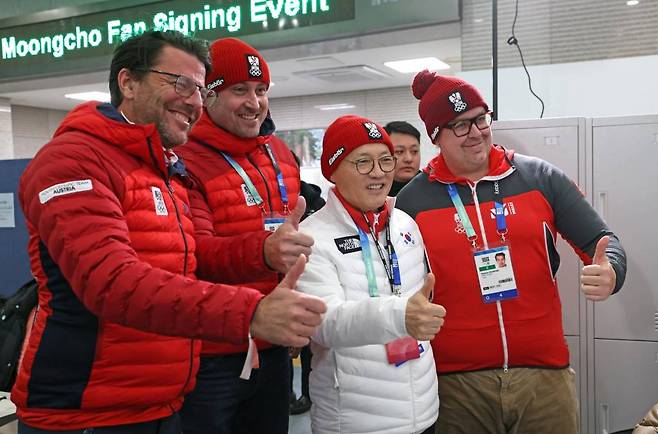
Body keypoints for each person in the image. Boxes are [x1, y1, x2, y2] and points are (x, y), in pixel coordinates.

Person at [13, 30, 325, 434]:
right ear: (128, 82)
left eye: (198, 88)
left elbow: (184, 270)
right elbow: (112, 283)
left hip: (161, 401)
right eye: (179, 83)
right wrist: (250, 311)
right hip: (87, 411)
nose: (194, 100)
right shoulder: (72, 161)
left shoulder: (164, 171)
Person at [396, 70, 627, 434]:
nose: (475, 132)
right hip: (457, 385)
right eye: (459, 125)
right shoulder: (413, 200)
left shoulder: (539, 177)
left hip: (544, 376)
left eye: (480, 119)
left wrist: (611, 270)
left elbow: (603, 240)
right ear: (436, 136)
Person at [176, 38, 313, 434]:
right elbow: (194, 254)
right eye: (239, 90)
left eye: (261, 90)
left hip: (272, 343)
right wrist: (265, 252)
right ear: (209, 96)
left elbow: (291, 243)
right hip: (213, 351)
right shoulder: (184, 158)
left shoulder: (281, 155)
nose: (254, 102)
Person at [296, 115, 446, 434]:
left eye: (384, 160)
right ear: (333, 170)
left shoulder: (406, 224)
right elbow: (323, 323)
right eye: (362, 162)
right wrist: (400, 315)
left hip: (424, 407)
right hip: (355, 418)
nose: (378, 172)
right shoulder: (311, 236)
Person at [383, 121, 422, 196]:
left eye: (414, 151)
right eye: (399, 151)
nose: (408, 159)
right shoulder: (374, 192)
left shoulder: (434, 188)